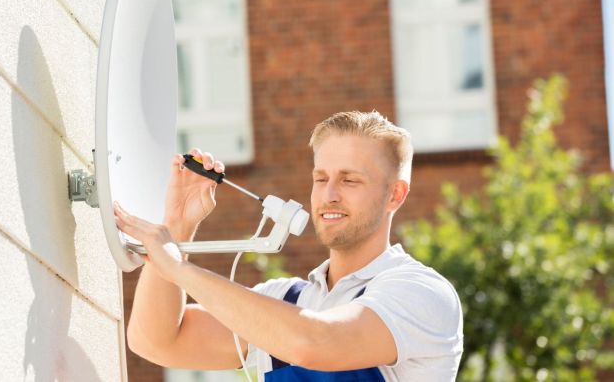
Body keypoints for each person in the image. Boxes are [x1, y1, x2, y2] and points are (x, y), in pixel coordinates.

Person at [115, 110, 463, 381]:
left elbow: (314, 342)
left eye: (350, 180)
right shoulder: (286, 300)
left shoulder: (421, 293)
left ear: (395, 195)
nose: (329, 195)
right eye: (321, 178)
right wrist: (178, 226)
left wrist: (180, 269)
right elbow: (156, 341)